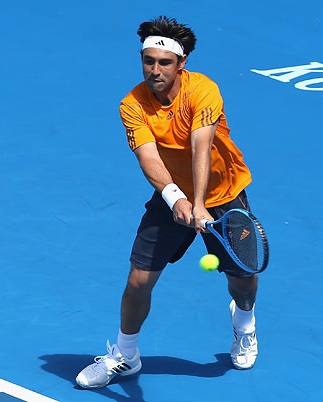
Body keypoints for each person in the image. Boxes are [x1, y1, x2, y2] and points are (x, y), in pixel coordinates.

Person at [75, 16, 261, 389]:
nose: (155, 70)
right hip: (171, 196)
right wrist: (176, 197)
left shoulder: (203, 90)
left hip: (224, 196)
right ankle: (126, 355)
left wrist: (199, 203)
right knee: (138, 280)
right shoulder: (132, 104)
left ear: (182, 62)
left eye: (164, 62)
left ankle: (245, 324)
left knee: (243, 281)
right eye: (148, 61)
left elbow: (201, 147)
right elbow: (149, 158)